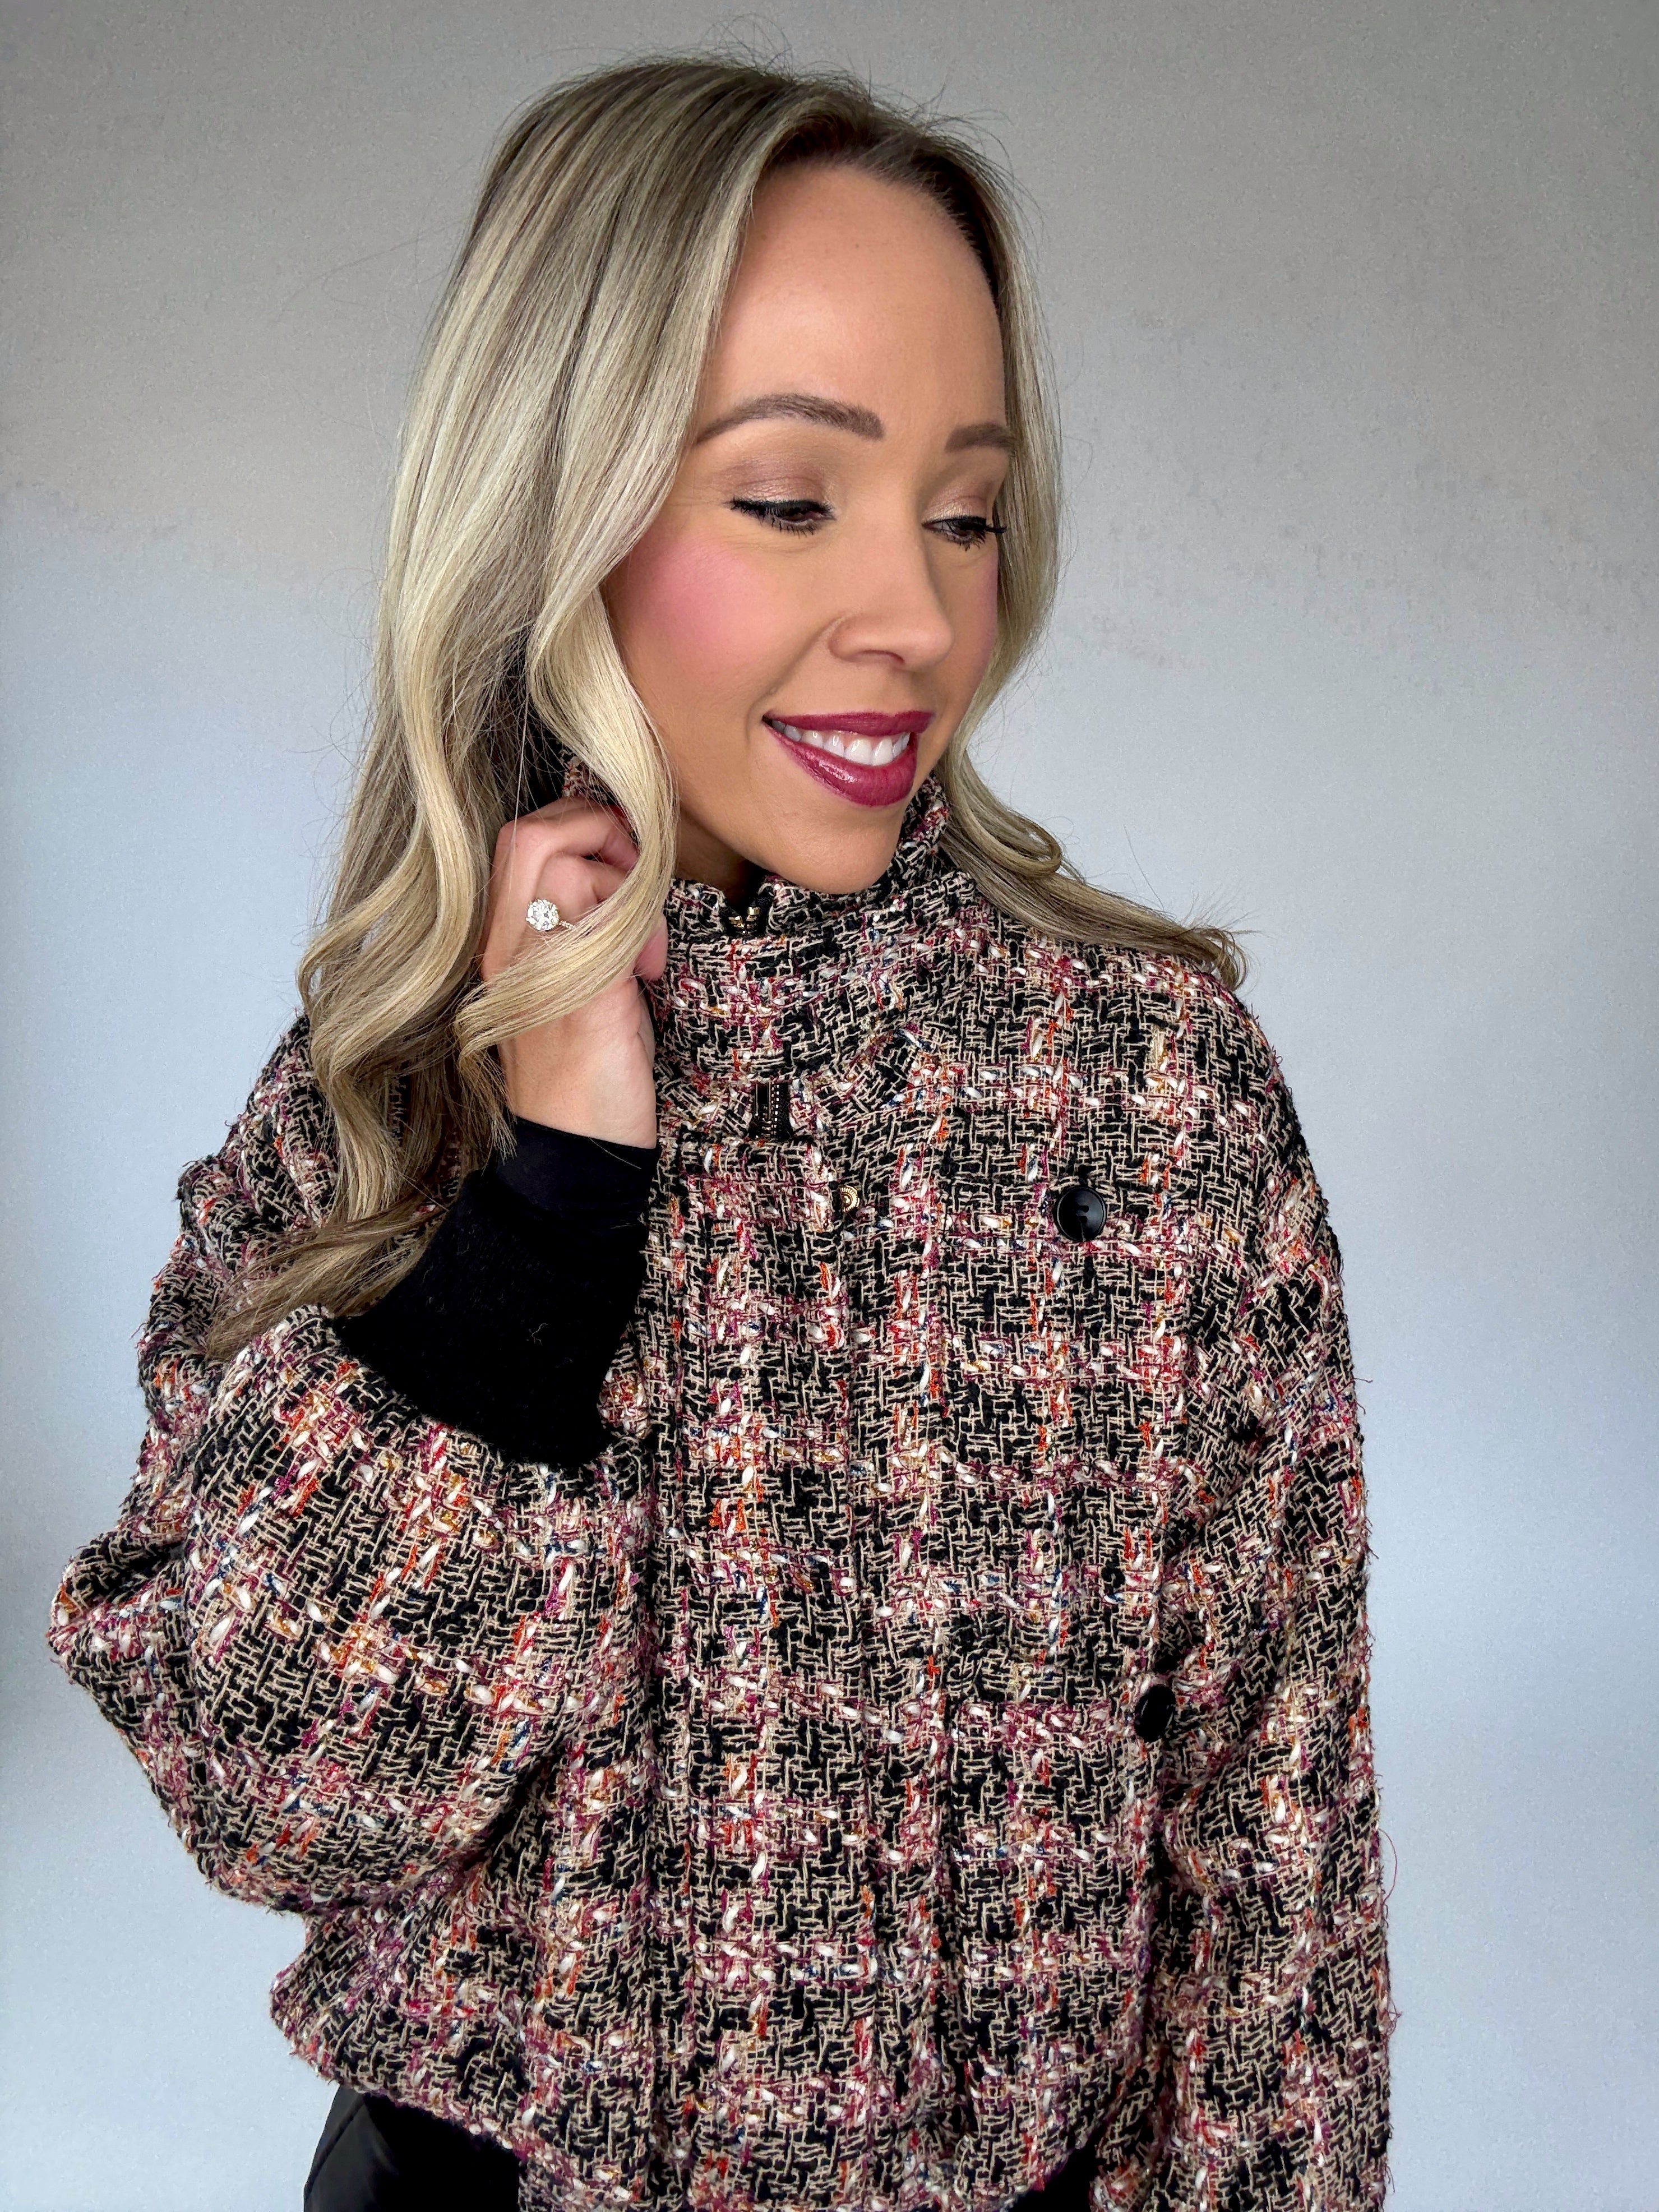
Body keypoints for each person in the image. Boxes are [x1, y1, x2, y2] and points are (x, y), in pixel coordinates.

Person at [47, 54, 1394, 2212]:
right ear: (558, 510)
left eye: (964, 511)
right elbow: (264, 1789)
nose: (919, 617)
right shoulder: (394, 1078)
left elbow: (1277, 1854)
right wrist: (548, 1208)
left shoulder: (1153, 1091)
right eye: (789, 498)